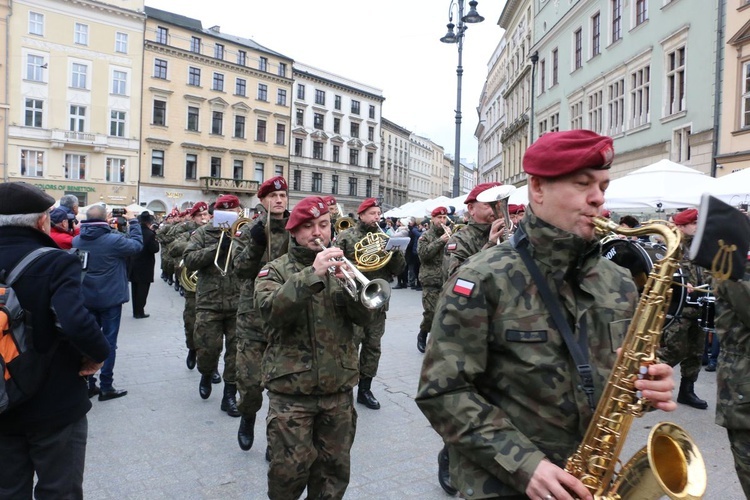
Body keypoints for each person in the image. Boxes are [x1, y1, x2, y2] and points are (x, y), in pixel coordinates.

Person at [416, 130, 676, 499]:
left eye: (603, 185)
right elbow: (441, 393)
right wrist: (525, 465)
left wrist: (648, 385)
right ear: (537, 189)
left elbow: (619, 374)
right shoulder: (481, 278)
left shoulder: (618, 281)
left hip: (591, 480)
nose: (598, 197)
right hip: (504, 484)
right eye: (583, 183)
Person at [255, 196, 373, 499]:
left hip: (338, 390)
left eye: (323, 225)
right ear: (294, 232)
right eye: (308, 227)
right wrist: (311, 275)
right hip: (292, 394)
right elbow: (270, 313)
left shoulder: (343, 268)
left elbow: (365, 318)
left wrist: (354, 292)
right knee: (287, 474)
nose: (317, 233)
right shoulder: (274, 270)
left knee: (333, 475)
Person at [0, 182, 110, 499]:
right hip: (53, 401)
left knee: (8, 490)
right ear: (40, 221)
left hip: (1, 401)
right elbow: (76, 321)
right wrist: (98, 356)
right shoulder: (56, 261)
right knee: (59, 490)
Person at [232, 176, 290, 451]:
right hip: (253, 316)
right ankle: (247, 416)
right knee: (251, 380)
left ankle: (274, 439)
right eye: (273, 196)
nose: (279, 200)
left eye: (283, 195)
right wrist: (255, 243)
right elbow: (240, 270)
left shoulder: (296, 228)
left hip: (285, 315)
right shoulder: (249, 230)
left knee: (283, 385)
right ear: (263, 200)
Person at [335, 198, 405, 409]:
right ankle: (345, 389)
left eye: (378, 213)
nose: (377, 217)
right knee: (351, 346)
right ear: (362, 214)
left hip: (377, 300)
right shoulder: (346, 237)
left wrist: (394, 252)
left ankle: (365, 389)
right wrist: (352, 268)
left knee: (373, 346)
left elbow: (399, 269)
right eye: (373, 213)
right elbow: (336, 266)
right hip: (355, 300)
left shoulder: (384, 237)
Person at [74, 204, 142, 401]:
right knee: (108, 342)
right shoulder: (113, 240)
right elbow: (137, 245)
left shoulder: (78, 238)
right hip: (110, 298)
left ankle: (89, 383)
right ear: (105, 219)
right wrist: (133, 221)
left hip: (87, 297)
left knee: (88, 341)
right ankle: (106, 386)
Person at [183, 194, 243, 415]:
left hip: (238, 303)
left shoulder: (245, 233)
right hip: (209, 302)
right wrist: (218, 247)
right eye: (224, 213)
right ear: (217, 215)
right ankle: (206, 373)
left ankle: (229, 395)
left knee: (236, 354)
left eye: (234, 211)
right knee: (207, 349)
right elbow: (190, 260)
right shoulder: (202, 233)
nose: (230, 216)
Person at [658, 208, 711, 410]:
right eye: (694, 223)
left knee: (696, 353)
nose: (698, 227)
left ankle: (687, 392)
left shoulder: (700, 248)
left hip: (699, 308)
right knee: (673, 350)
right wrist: (679, 284)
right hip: (679, 310)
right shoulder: (672, 248)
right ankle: (644, 384)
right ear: (681, 226)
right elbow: (662, 276)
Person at [168, 202, 210, 370]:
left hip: (213, 287)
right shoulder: (187, 233)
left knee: (210, 330)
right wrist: (196, 247)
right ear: (193, 218)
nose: (204, 218)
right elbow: (172, 248)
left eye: (206, 214)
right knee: (191, 323)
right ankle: (192, 349)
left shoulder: (215, 233)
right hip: (193, 287)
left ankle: (210, 367)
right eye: (200, 215)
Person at [442, 182, 507, 280]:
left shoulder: (505, 233)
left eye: (500, 203)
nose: (497, 208)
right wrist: (490, 245)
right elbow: (456, 279)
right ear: (471, 209)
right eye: (490, 204)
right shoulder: (459, 240)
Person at [416, 206, 450, 353]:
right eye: (439, 218)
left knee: (444, 313)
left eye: (444, 218)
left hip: (447, 278)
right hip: (430, 279)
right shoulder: (425, 236)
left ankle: (438, 341)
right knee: (431, 312)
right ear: (433, 219)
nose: (442, 221)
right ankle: (423, 334)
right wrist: (441, 241)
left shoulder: (450, 234)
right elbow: (423, 255)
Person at [128, 211, 160, 319]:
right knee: (143, 290)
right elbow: (154, 249)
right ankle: (140, 311)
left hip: (134, 263)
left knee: (135, 288)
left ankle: (135, 310)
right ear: (149, 222)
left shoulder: (134, 232)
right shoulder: (150, 234)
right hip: (145, 265)